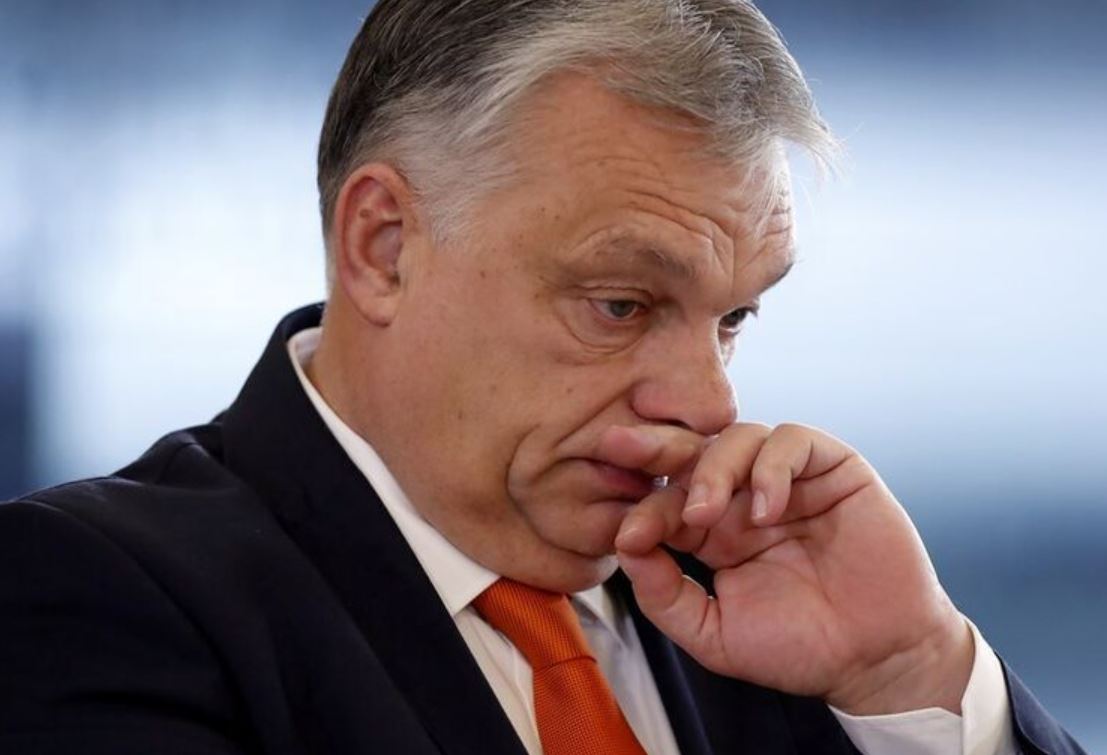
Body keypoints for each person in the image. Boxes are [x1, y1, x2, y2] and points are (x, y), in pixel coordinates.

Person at [0, 1, 1087, 753]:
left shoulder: (772, 602)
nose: (709, 405)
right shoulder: (89, 594)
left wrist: (910, 674)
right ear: (383, 247)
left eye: (733, 319)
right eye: (621, 304)